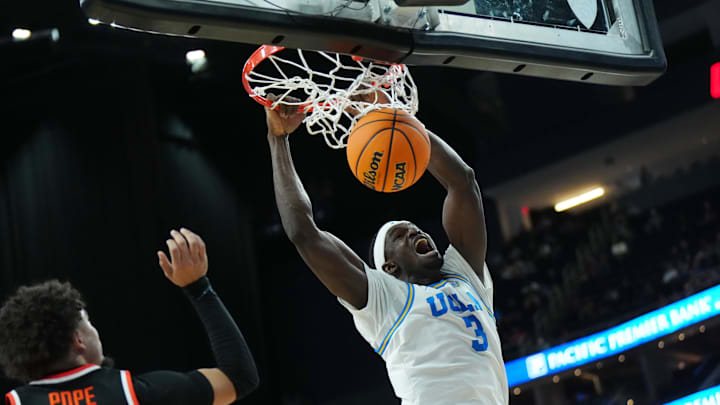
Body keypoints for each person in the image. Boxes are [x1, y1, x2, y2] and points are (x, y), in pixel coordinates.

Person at [264, 101, 509, 404]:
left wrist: (398, 120)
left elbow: (463, 181)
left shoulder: (464, 277)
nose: (415, 232)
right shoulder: (385, 300)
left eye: (414, 228)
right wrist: (278, 139)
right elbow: (304, 233)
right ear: (390, 267)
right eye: (399, 235)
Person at [1, 228, 259, 405]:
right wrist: (199, 288)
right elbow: (239, 377)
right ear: (77, 339)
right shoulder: (136, 394)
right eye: (88, 322)